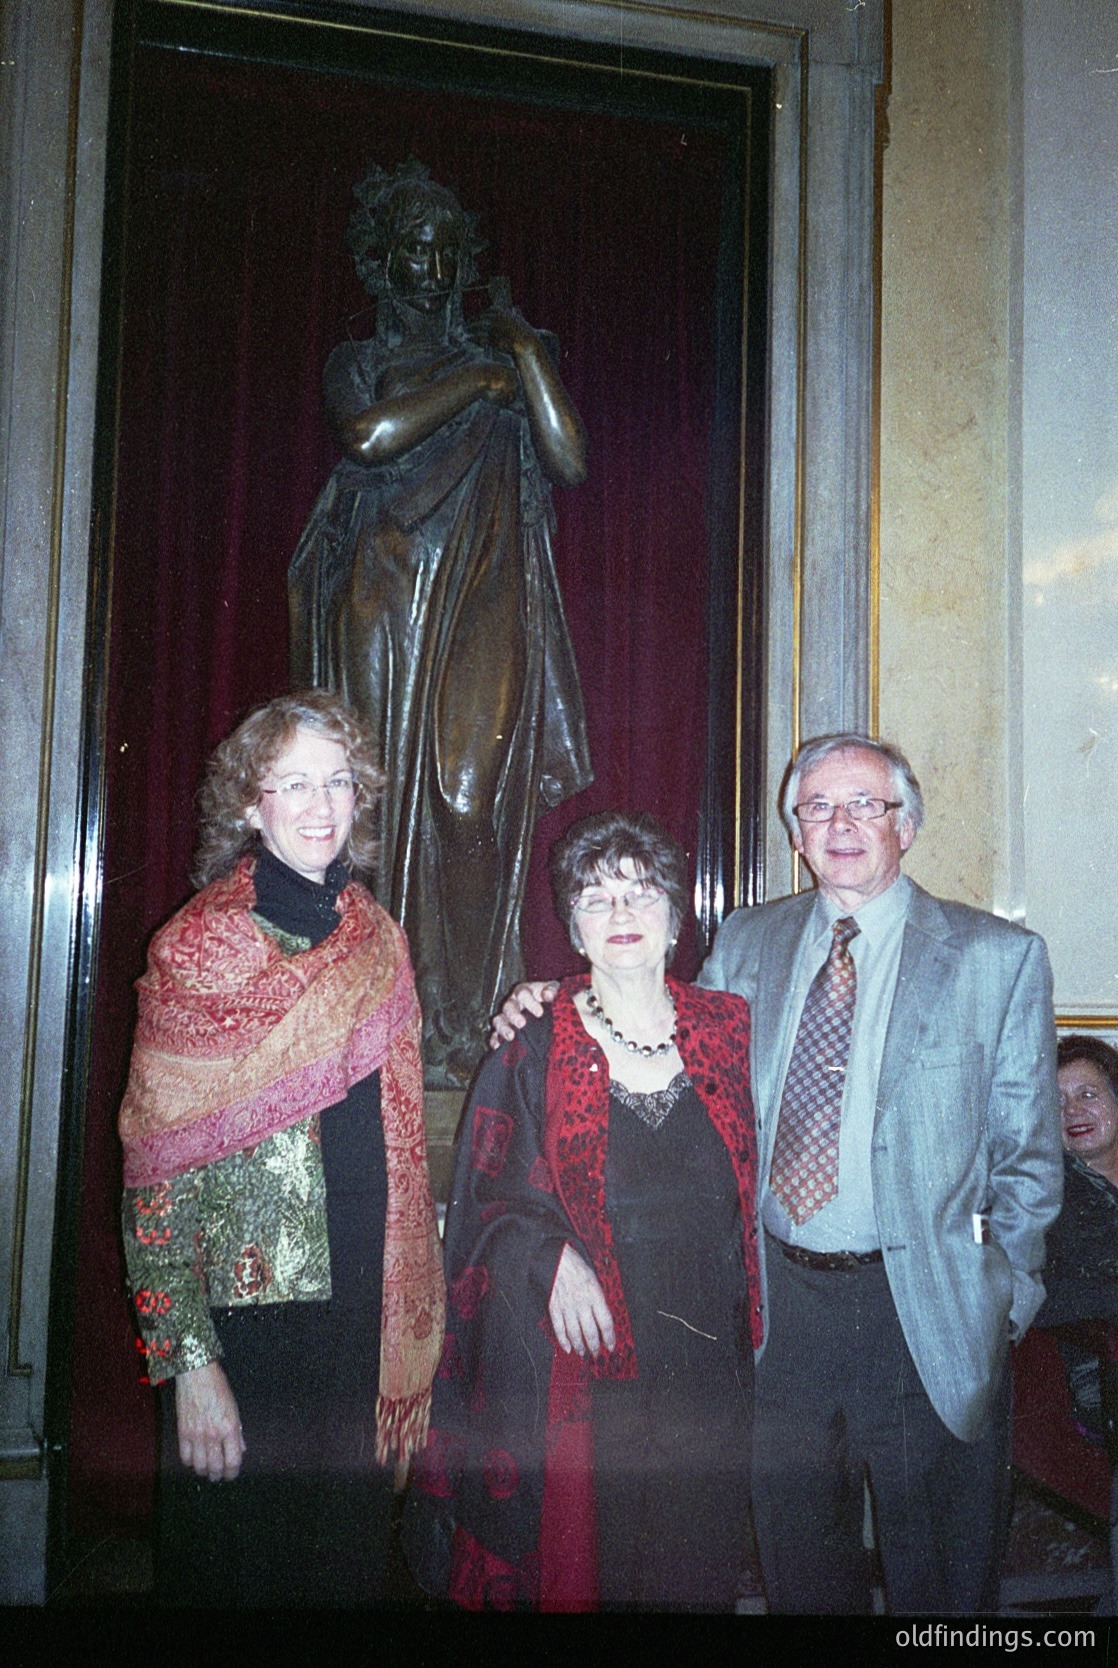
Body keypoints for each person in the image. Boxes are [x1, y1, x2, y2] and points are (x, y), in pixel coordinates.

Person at [493, 734, 1062, 1613]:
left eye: (864, 805)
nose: (839, 825)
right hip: (777, 1315)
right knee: (803, 1563)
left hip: (927, 1314)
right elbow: (655, 1021)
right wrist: (549, 996)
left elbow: (1030, 1158)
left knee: (940, 1581)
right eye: (816, 809)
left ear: (906, 824)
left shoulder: (995, 958)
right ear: (795, 834)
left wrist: (1005, 1297)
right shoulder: (748, 944)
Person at [119, 689, 445, 1606]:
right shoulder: (197, 948)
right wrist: (189, 1364)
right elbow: (152, 1178)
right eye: (293, 783)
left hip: (358, 1311)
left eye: (339, 782)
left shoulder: (377, 937)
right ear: (250, 804)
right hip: (244, 1327)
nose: (321, 805)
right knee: (233, 1573)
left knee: (341, 1569)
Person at [408, 811, 761, 1611]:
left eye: (641, 894)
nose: (623, 915)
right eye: (597, 900)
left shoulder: (731, 1031)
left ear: (677, 917)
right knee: (598, 1575)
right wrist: (546, 1258)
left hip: (707, 1364)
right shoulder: (529, 1045)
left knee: (694, 1572)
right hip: (588, 1360)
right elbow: (481, 1202)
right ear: (572, 925)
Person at [288, 160, 593, 1086]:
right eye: (416, 247)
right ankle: (378, 1031)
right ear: (383, 261)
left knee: (470, 802)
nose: (435, 265)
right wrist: (476, 386)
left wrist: (521, 352)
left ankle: (462, 1035)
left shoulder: (503, 355)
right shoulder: (364, 361)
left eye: (449, 249)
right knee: (371, 808)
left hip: (485, 590)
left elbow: (570, 459)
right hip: (383, 591)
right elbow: (371, 438)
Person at [1035, 1036, 1118, 1436]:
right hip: (1104, 1375)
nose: (1072, 1111)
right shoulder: (1043, 1198)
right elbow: (1035, 1292)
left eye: (1088, 1094)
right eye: (1058, 1102)